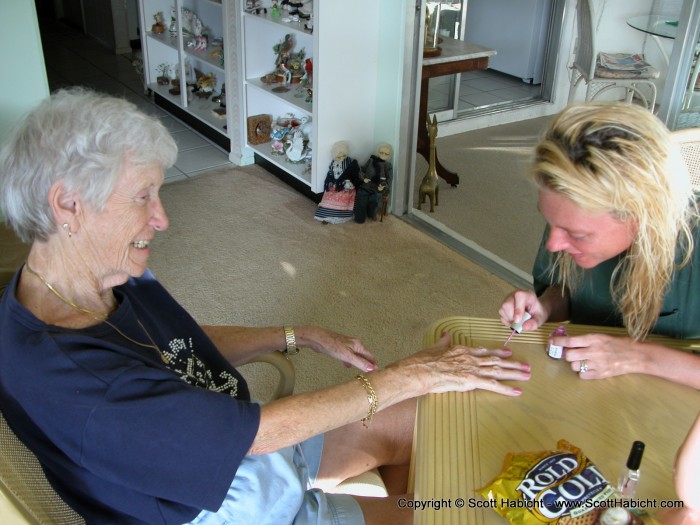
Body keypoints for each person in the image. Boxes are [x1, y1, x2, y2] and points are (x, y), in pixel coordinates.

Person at [0, 87, 531, 525]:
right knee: (462, 510)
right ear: (68, 203)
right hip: (239, 503)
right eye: (143, 197)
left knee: (425, 421)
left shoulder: (93, 275)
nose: (162, 219)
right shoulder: (83, 385)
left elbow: (176, 346)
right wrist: (409, 373)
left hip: (244, 452)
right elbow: (254, 435)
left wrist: (297, 335)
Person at [499, 101, 700, 389]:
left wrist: (639, 357)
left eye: (577, 234)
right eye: (551, 223)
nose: (554, 244)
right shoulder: (569, 215)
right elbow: (574, 292)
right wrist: (545, 307)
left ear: (642, 214)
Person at [314, 141, 359, 224]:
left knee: (342, 195)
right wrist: (330, 181)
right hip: (335, 184)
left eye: (343, 155)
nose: (341, 158)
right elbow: (330, 173)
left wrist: (353, 183)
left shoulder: (351, 162)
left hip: (346, 185)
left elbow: (355, 175)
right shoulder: (333, 163)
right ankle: (326, 215)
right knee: (328, 194)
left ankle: (340, 214)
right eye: (339, 157)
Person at [353, 143, 393, 224]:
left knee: (375, 200)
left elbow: (389, 179)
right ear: (378, 152)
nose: (383, 155)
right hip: (366, 186)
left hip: (377, 188)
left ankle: (371, 213)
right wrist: (363, 178)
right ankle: (360, 217)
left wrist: (383, 187)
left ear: (389, 155)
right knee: (361, 199)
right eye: (381, 152)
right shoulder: (371, 160)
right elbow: (362, 170)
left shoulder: (388, 166)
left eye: (386, 154)